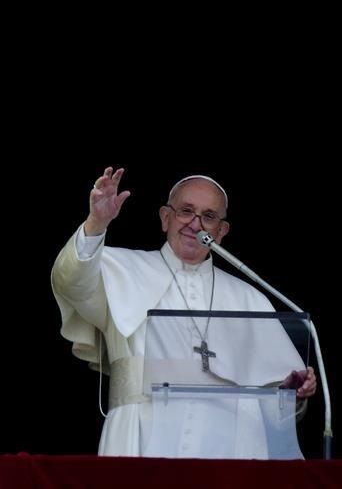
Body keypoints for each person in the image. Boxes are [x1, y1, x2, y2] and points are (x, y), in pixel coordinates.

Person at [51, 167, 316, 458]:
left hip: (233, 446)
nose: (195, 224)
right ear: (166, 218)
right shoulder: (119, 269)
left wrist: (287, 391)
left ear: (222, 231)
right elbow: (71, 281)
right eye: (186, 211)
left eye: (209, 216)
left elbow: (277, 410)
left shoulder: (249, 297)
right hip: (142, 435)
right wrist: (96, 222)